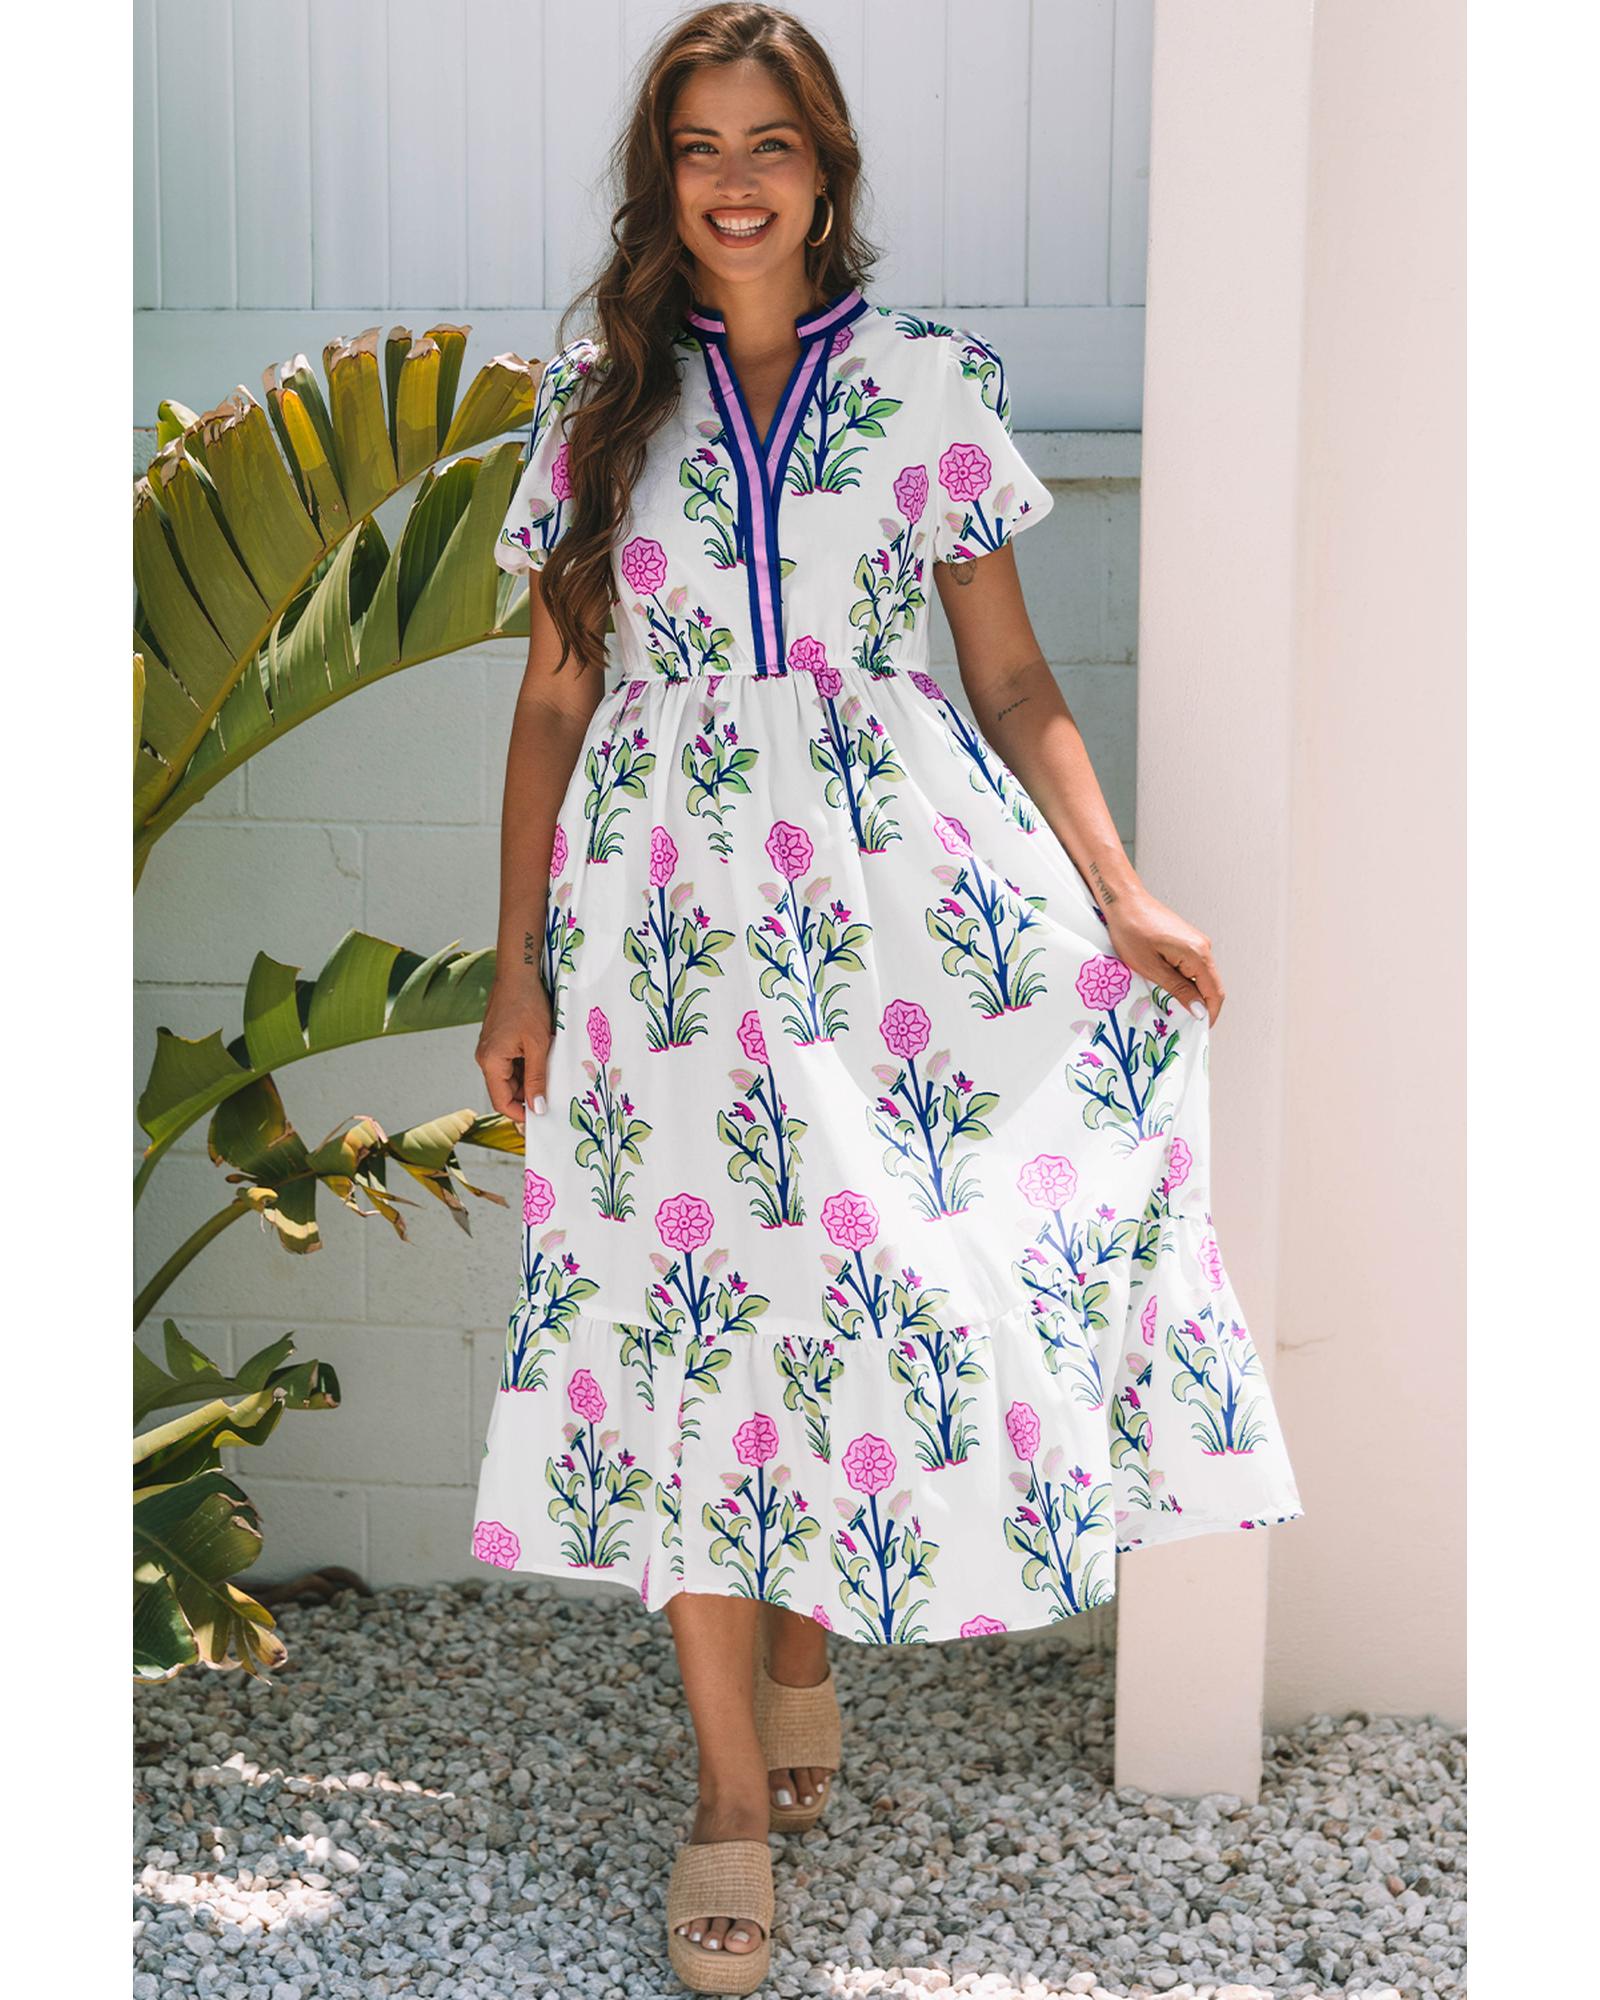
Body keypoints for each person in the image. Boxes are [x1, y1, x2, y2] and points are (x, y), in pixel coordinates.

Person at [469, 5, 1304, 1990]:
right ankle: (727, 1788)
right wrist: (514, 957)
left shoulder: (927, 383)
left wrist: (1115, 888)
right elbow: (556, 700)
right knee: (684, 1319)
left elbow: (1006, 677)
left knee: (858, 1284)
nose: (733, 180)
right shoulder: (596, 399)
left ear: (825, 167)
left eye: (768, 142)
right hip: (658, 929)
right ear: (661, 178)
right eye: (697, 146)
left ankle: (802, 1645)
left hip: (885, 906)